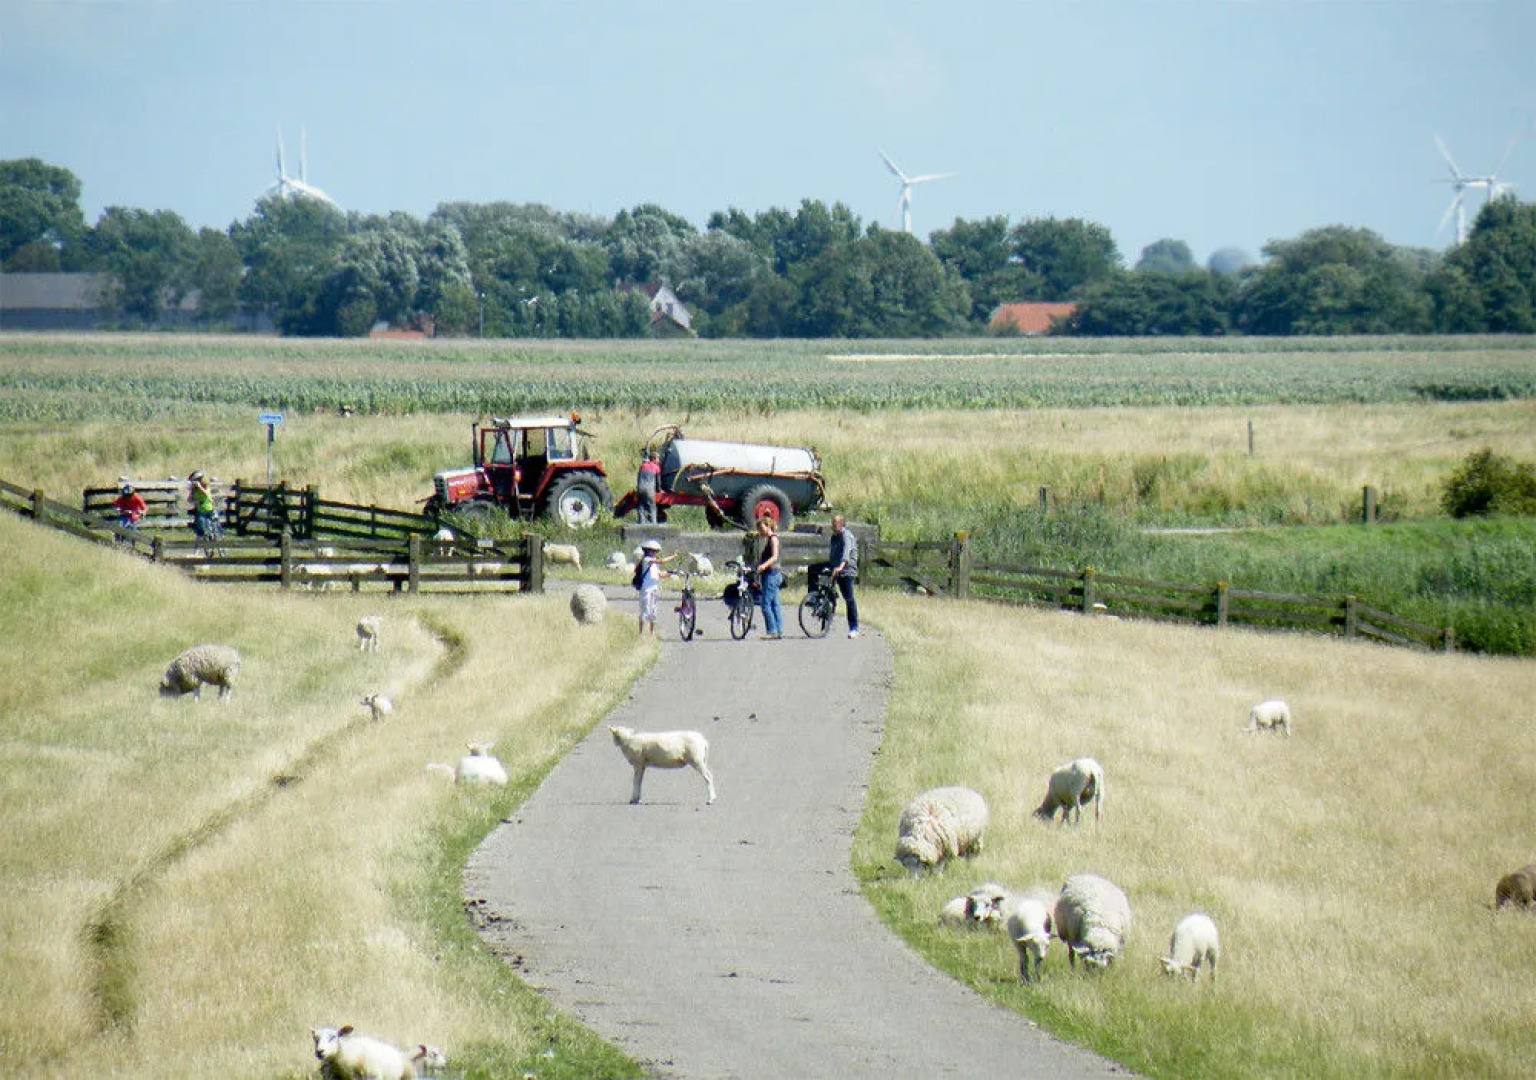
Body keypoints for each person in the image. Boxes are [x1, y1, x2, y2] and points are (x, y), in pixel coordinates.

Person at [828, 514, 861, 639]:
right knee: (814, 569)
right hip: (836, 566)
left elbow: (846, 553)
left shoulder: (846, 535)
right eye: (832, 522)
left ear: (842, 523)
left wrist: (841, 567)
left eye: (835, 523)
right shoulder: (834, 537)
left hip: (846, 569)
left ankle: (854, 628)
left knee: (849, 598)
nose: (833, 525)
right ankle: (815, 598)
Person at [755, 515, 785, 640]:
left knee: (766, 604)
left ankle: (772, 630)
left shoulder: (774, 539)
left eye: (762, 528)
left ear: (768, 526)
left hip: (772, 574)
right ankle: (779, 630)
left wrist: (763, 566)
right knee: (775, 604)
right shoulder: (770, 539)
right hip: (773, 573)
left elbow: (774, 556)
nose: (760, 531)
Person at [634, 538, 669, 638]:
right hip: (646, 589)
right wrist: (674, 556)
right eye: (654, 551)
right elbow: (661, 561)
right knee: (645, 611)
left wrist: (671, 573)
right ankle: (641, 633)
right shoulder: (647, 560)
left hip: (654, 589)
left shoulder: (653, 564)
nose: (655, 553)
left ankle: (651, 632)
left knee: (653, 611)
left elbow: (660, 574)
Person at [187, 470, 217, 539]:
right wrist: (194, 500)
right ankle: (204, 538)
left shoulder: (206, 486)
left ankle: (213, 537)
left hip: (209, 509)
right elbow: (189, 500)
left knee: (212, 525)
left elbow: (207, 494)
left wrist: (200, 487)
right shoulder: (194, 490)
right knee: (201, 524)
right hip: (201, 510)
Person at [636, 451, 661, 524]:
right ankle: (654, 523)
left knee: (641, 504)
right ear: (654, 459)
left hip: (640, 488)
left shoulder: (642, 466)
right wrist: (659, 490)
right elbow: (658, 481)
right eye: (658, 458)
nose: (659, 460)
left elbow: (638, 477)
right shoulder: (656, 468)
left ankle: (641, 522)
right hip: (649, 489)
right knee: (652, 505)